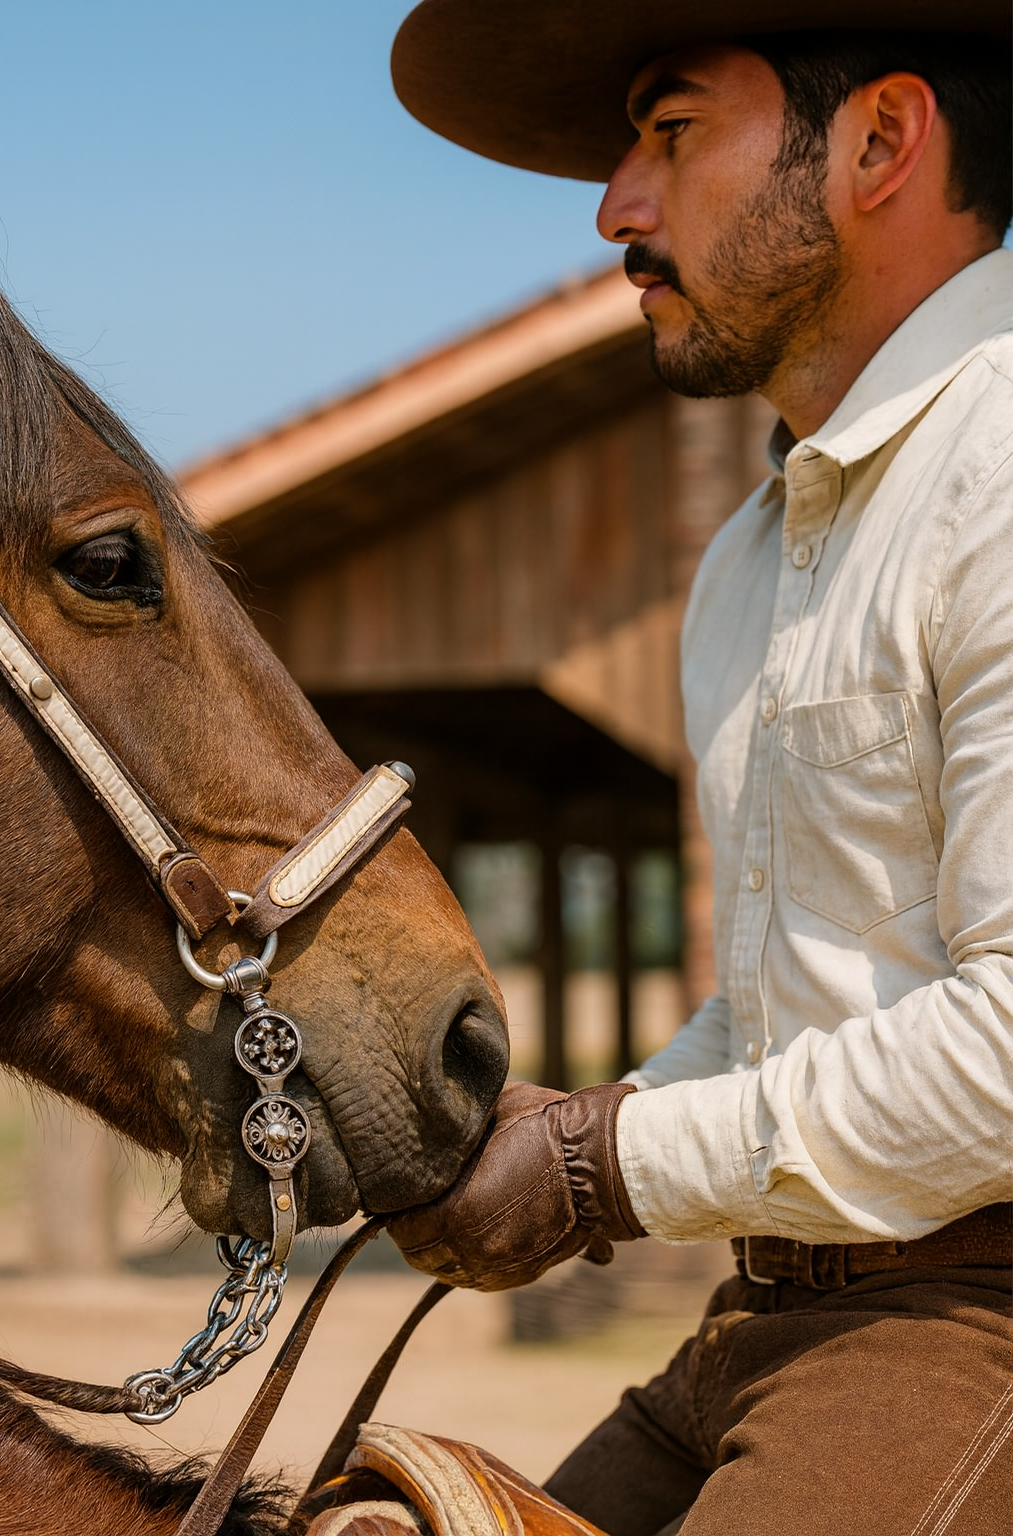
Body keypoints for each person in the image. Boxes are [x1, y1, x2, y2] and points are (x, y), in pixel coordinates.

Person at [387, 4, 1013, 1533]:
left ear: (878, 142)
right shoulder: (749, 557)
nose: (615, 205)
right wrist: (569, 1128)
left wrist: (602, 1167)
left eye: (669, 133)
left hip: (975, 1322)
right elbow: (789, 988)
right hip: (771, 1318)